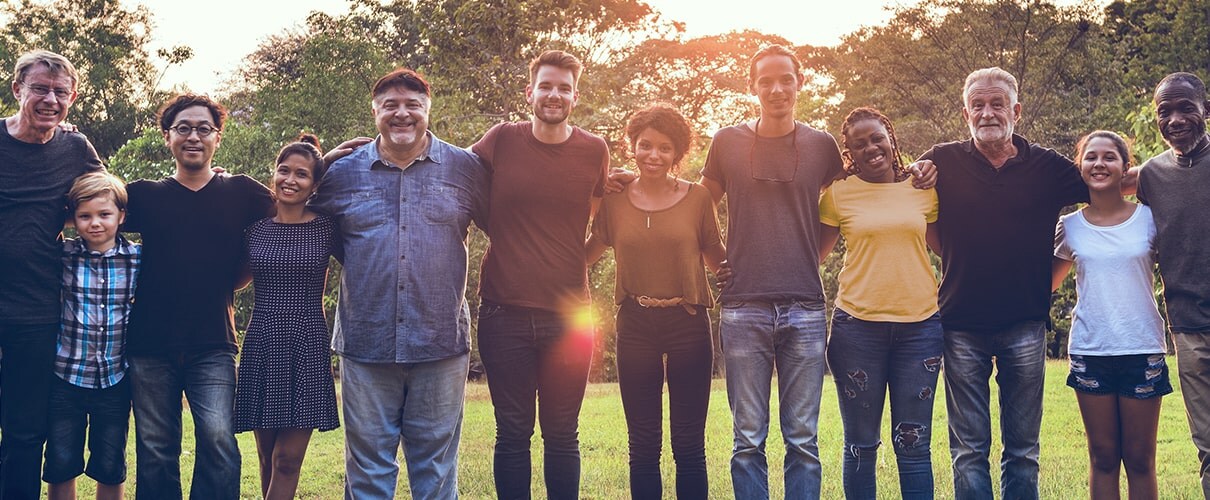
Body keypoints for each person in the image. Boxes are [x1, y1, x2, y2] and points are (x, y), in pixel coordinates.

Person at [311, 68, 490, 500]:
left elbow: (513, 226)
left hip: (440, 343)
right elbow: (292, 218)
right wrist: (320, 164)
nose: (402, 114)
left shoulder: (465, 169)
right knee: (368, 470)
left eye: (413, 105)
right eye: (390, 105)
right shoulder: (342, 174)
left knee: (435, 471)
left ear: (429, 109)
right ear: (375, 112)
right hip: (366, 342)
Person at [919, 67, 1090, 500]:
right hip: (959, 323)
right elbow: (915, 213)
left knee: (1023, 449)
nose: (987, 112)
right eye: (978, 104)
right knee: (968, 448)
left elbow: (1107, 185)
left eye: (997, 104)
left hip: (1025, 323)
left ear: (1015, 110)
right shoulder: (942, 159)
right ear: (965, 113)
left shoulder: (1048, 167)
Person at [696, 44, 843, 499]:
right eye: (766, 81)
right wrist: (717, 260)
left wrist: (803, 258)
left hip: (805, 308)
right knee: (747, 439)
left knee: (803, 439)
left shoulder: (821, 145)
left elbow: (839, 214)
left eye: (786, 79)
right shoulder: (726, 142)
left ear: (800, 82)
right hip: (743, 308)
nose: (777, 89)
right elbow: (699, 209)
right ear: (752, 86)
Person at [471, 49, 609, 499]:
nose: (554, 95)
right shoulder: (502, 140)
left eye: (564, 88)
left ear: (575, 95)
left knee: (562, 433)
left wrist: (567, 264)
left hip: (570, 316)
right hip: (503, 314)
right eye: (546, 86)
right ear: (529, 91)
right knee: (512, 433)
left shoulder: (594, 151)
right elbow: (450, 175)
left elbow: (597, 225)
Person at [123, 93, 274, 500]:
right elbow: (89, 205)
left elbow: (294, 202)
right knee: (155, 448)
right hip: (149, 343)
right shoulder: (143, 194)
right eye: (183, 128)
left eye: (203, 128)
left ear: (217, 138)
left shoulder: (242, 192)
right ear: (167, 137)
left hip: (214, 342)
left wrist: (326, 160)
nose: (194, 136)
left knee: (219, 440)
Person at [585, 104, 726, 499]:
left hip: (688, 322)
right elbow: (588, 252)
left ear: (678, 154)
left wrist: (748, 272)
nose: (653, 155)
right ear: (632, 146)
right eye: (645, 145)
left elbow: (718, 256)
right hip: (635, 323)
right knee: (643, 444)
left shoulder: (698, 199)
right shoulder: (614, 201)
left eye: (664, 148)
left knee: (688, 444)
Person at [817, 107, 942, 499]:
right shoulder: (838, 194)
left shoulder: (923, 189)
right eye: (859, 144)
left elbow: (949, 251)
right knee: (860, 445)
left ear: (891, 137)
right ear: (849, 154)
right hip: (857, 329)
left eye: (877, 138)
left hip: (921, 328)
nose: (871, 148)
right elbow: (812, 257)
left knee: (915, 445)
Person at [0, 49, 102, 499]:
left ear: (72, 98)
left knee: (24, 432)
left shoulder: (75, 148)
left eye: (61, 92)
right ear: (17, 89)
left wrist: (202, 181)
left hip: (36, 311)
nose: (50, 99)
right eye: (40, 88)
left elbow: (107, 199)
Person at [1052, 130, 1170, 499]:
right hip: (1091, 350)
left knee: (1139, 459)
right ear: (1080, 166)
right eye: (1091, 157)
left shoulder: (1150, 219)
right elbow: (1046, 285)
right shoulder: (1069, 226)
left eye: (1109, 157)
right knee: (1103, 457)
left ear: (1125, 168)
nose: (1099, 164)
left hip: (1142, 348)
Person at [234, 135, 340, 499]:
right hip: (263, 342)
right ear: (273, 173)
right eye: (284, 170)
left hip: (307, 344)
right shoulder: (255, 229)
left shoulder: (327, 228)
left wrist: (337, 153)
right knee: (265, 457)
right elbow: (234, 281)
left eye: (302, 174)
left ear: (315, 185)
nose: (290, 180)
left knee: (287, 459)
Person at [1134, 72, 1210, 497]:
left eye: (1186, 108)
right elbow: (1102, 179)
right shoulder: (1151, 176)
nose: (1176, 119)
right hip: (1187, 327)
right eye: (1165, 111)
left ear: (1206, 110)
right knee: (1208, 444)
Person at [44, 172, 138, 500]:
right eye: (84, 216)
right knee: (60, 461)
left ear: (121, 216)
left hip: (115, 379)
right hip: (65, 377)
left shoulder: (138, 258)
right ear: (73, 219)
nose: (94, 223)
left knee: (111, 464)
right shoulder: (63, 255)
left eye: (104, 215)